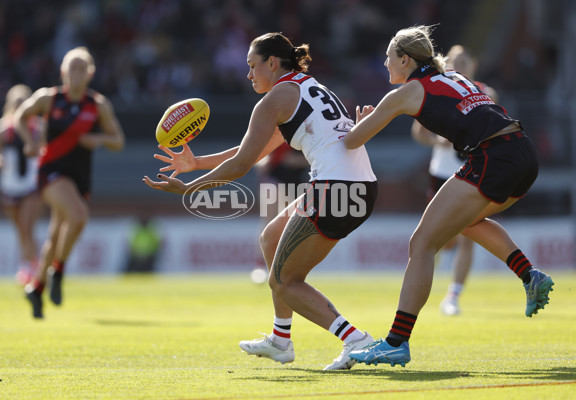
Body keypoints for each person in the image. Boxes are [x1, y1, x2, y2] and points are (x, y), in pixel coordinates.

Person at [143, 32, 378, 370]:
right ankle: (281, 340)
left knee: (283, 281)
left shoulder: (274, 100)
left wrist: (189, 187)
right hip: (354, 188)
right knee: (270, 237)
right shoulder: (305, 87)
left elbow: (240, 165)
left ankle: (355, 339)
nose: (249, 74)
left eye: (253, 66)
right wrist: (195, 164)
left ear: (272, 62)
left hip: (335, 190)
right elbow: (251, 153)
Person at [344, 25, 554, 367]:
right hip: (522, 152)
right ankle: (530, 276)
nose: (385, 64)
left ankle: (396, 342)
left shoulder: (408, 91)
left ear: (406, 59)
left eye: (388, 57)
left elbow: (352, 141)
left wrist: (361, 122)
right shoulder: (454, 77)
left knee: (421, 244)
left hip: (493, 157)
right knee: (468, 223)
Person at [15, 46, 126, 318]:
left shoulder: (97, 105)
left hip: (79, 177)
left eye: (81, 68)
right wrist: (30, 142)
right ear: (63, 71)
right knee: (78, 215)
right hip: (51, 172)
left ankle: (36, 287)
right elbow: (20, 116)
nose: (76, 74)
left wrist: (98, 139)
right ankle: (58, 271)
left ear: (90, 73)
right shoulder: (48, 98)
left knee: (56, 234)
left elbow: (118, 141)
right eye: (71, 68)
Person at [410, 45, 497, 316]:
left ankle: (453, 296)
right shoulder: (437, 90)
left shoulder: (486, 93)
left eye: (463, 61)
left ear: (474, 64)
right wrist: (439, 140)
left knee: (468, 233)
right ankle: (418, 285)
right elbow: (419, 132)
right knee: (439, 238)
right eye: (453, 61)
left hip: (471, 171)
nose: (458, 65)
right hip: (442, 171)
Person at [0, 84, 44, 286]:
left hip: (32, 185)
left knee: (27, 225)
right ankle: (33, 262)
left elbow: (47, 150)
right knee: (21, 229)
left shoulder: (38, 128)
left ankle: (28, 266)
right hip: (10, 185)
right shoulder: (2, 129)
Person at [251, 142, 309, 283]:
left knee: (290, 225)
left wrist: (298, 161)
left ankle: (288, 267)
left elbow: (317, 157)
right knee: (269, 223)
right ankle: (261, 266)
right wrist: (263, 163)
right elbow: (257, 156)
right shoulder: (272, 131)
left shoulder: (305, 128)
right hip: (274, 179)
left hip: (296, 183)